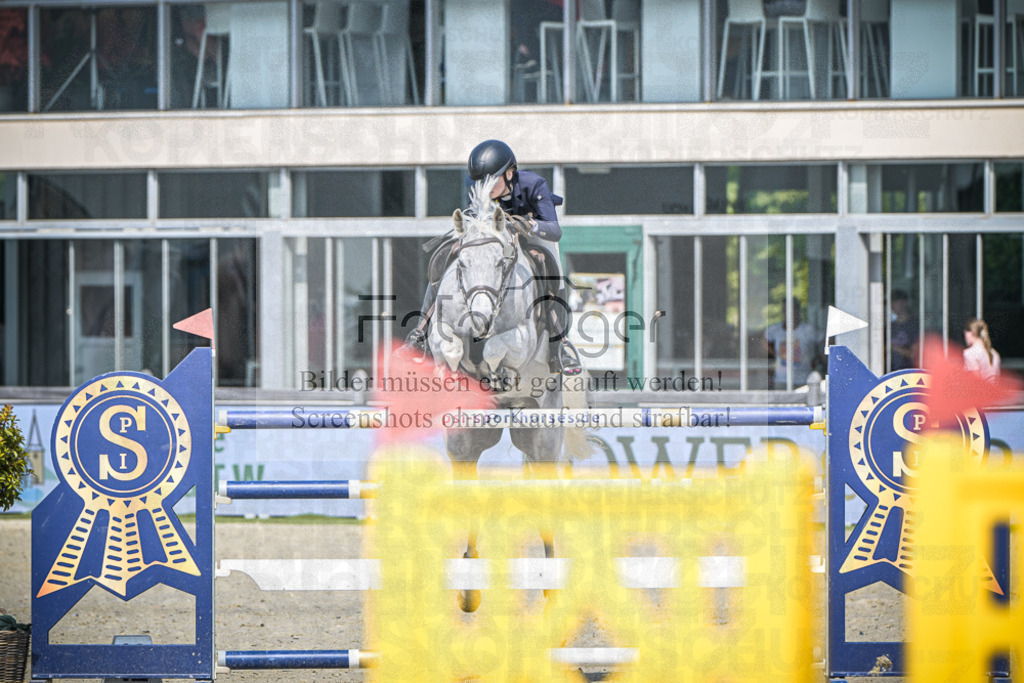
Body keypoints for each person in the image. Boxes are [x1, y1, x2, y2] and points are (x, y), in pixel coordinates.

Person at [403, 139, 582, 376]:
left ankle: (560, 344)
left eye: (491, 180)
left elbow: (554, 230)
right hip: (494, 237)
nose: (484, 186)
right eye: (480, 181)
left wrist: (529, 223)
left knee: (551, 268)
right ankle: (420, 334)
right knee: (448, 257)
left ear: (510, 173)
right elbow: (474, 216)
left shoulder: (534, 184)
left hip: (534, 233)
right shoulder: (477, 186)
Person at [761, 298, 822, 389]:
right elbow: (764, 341)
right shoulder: (775, 329)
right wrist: (775, 355)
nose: (788, 313)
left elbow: (826, 341)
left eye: (792, 309)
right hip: (781, 379)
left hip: (803, 379)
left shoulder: (807, 330)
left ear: (797, 311)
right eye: (785, 310)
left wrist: (818, 358)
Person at [889, 289, 919, 371]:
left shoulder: (915, 325)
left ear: (905, 303)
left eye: (896, 301)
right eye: (891, 302)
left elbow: (915, 354)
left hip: (909, 374)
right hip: (889, 374)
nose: (892, 305)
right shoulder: (890, 327)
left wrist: (893, 347)